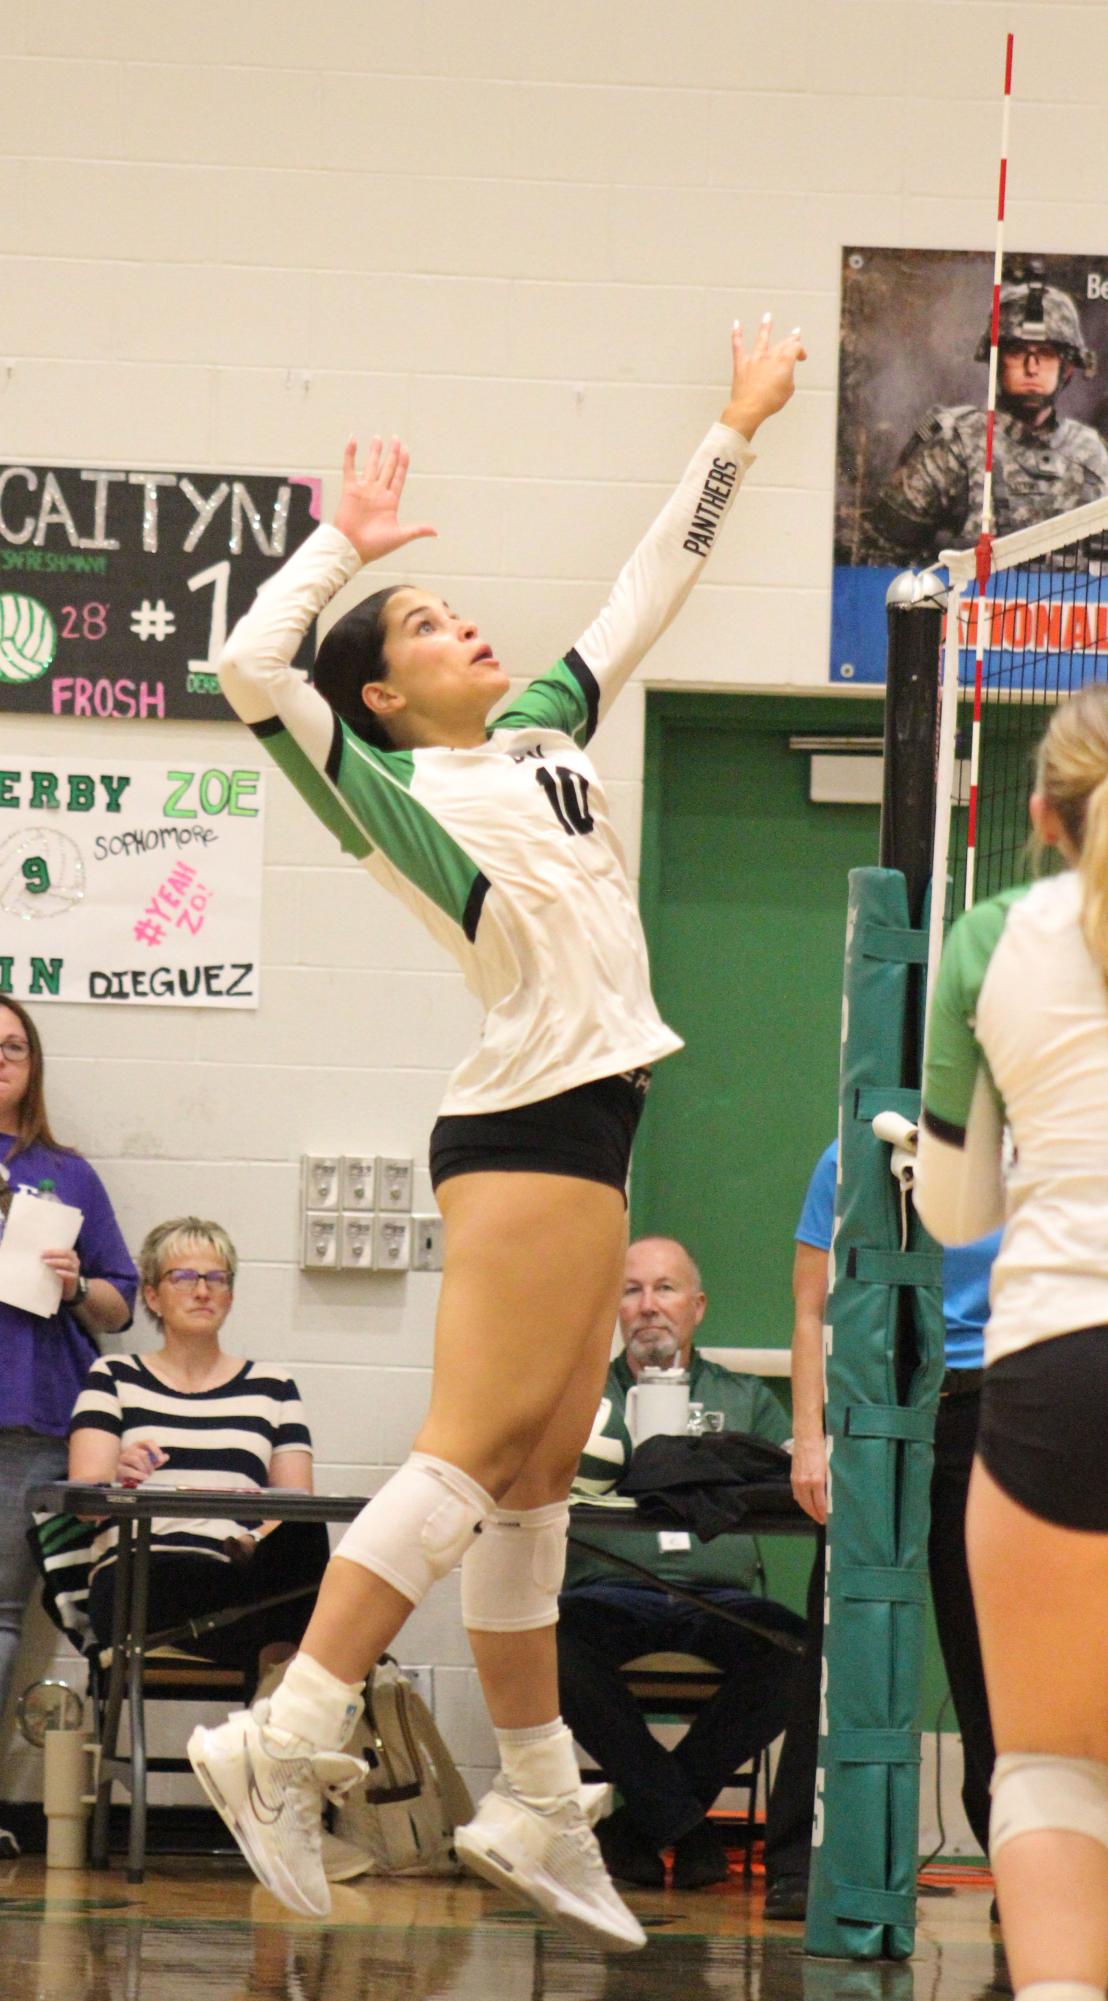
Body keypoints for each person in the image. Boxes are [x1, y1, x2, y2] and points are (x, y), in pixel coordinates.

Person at [186, 314, 806, 1953]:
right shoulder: (398, 794)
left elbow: (634, 597)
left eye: (453, 605)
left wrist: (730, 432)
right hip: (526, 1127)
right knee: (472, 1459)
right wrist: (339, 546)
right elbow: (248, 674)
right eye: (424, 624)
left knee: (533, 1484)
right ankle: (289, 1730)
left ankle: (534, 1795)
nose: (464, 622)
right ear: (383, 695)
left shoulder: (533, 731)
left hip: (581, 1127)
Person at [914, 684, 1108, 2001]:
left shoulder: (992, 935)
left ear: (1040, 816)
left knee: (1048, 1762)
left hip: (1059, 1359)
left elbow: (958, 1212)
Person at [557, 1235, 806, 1892]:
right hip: (608, 1594)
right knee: (544, 1645)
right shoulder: (583, 1397)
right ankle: (686, 1825)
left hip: (721, 1599)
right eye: (631, 1289)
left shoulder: (747, 1398)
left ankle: (640, 1823)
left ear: (696, 1305)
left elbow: (791, 1479)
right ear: (614, 1307)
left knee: (802, 1654)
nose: (648, 1306)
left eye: (664, 1288)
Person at [790, 1139, 1001, 1890]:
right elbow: (811, 1305)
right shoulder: (848, 1158)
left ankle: (1016, 1865)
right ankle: (802, 1864)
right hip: (877, 1412)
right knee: (841, 1638)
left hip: (989, 1410)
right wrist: (810, 1439)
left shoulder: (1033, 1144)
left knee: (986, 1654)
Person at [68, 1216, 330, 1697]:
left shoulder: (272, 1386)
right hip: (140, 1581)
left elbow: (298, 1509)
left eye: (216, 1278)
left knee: (306, 1535)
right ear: (152, 1296)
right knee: (177, 1571)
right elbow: (84, 1499)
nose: (202, 1290)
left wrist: (253, 1538)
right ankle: (277, 1715)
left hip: (233, 1579)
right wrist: (116, 1473)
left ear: (230, 1295)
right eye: (183, 1277)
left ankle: (273, 1709)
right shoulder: (114, 1376)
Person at [0, 998, 135, 1857]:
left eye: (13, 1044)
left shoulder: (68, 1175)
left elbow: (121, 1304)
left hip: (33, 1417)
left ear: (33, 1063)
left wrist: (76, 1279)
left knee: (3, 1616)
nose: (0, 1056)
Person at [864, 278, 1108, 567]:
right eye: (1018, 352)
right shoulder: (956, 446)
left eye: (1045, 354)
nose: (1032, 367)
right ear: (996, 360)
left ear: (1067, 367)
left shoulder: (1091, 454)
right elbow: (880, 558)